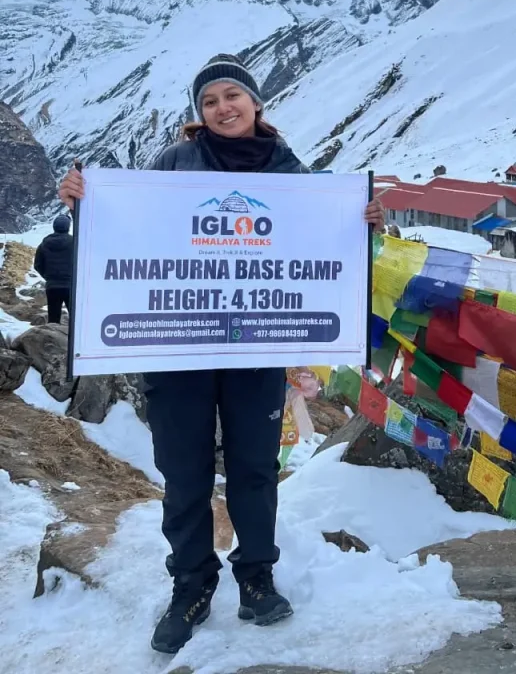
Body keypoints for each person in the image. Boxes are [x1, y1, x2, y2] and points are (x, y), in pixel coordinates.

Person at [59, 54, 385, 655]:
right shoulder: (177, 163)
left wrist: (363, 221)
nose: (222, 108)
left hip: (255, 345)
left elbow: (325, 238)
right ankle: (190, 584)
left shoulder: (291, 170)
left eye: (232, 95)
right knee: (183, 470)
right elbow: (128, 228)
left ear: (257, 102)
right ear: (199, 114)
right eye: (209, 101)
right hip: (177, 346)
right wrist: (86, 202)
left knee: (254, 468)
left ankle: (257, 577)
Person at [33, 215, 74, 323]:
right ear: (68, 227)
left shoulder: (44, 244)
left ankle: (52, 338)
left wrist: (48, 276)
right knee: (76, 319)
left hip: (52, 286)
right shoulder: (75, 243)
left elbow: (37, 265)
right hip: (71, 286)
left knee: (53, 319)